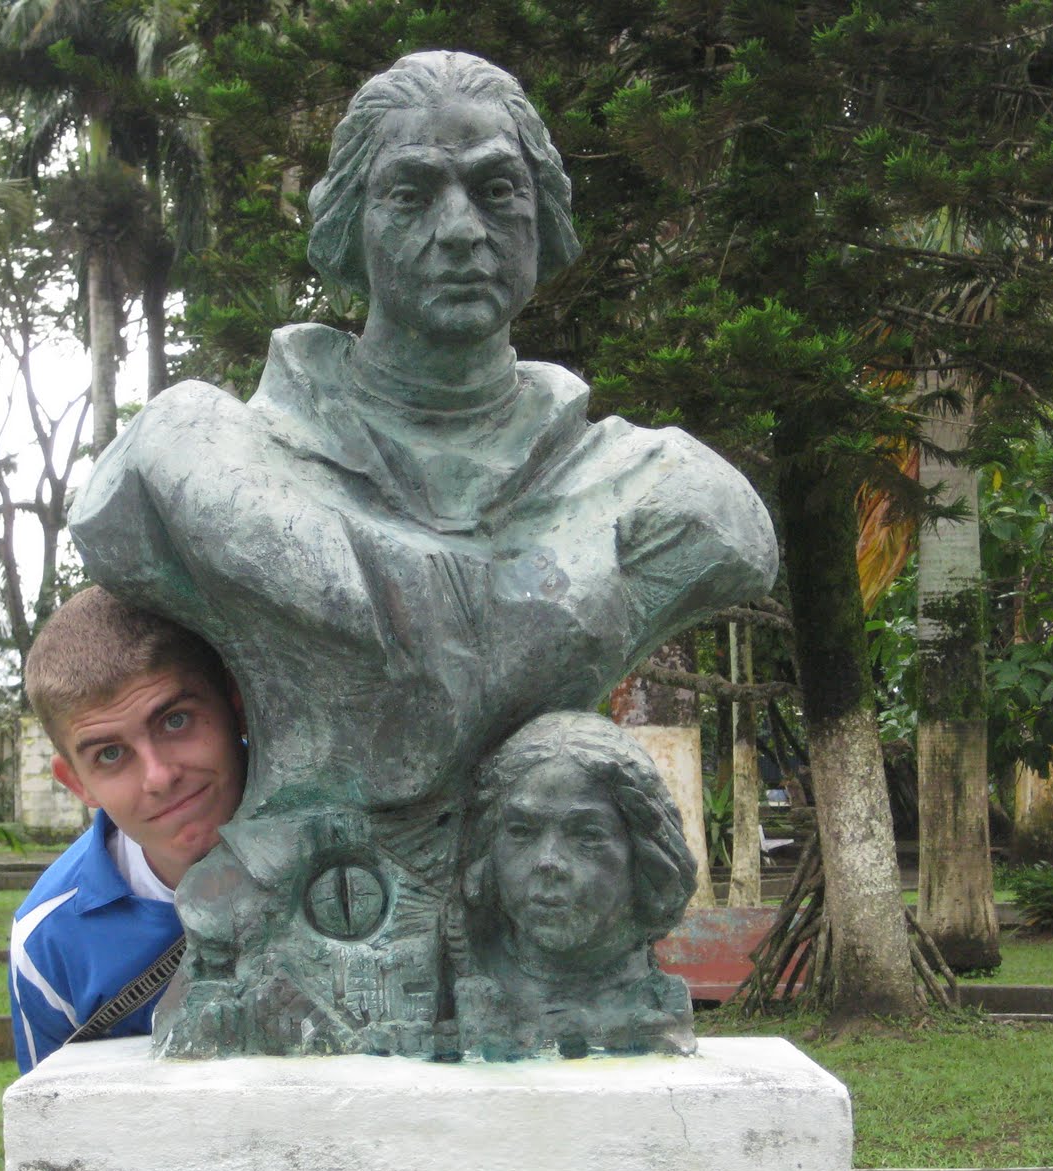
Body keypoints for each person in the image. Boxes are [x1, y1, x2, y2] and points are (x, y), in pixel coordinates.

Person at [68, 51, 776, 1057]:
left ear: (544, 218)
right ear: (348, 225)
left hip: (542, 997)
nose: (461, 230)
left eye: (497, 191)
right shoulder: (199, 463)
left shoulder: (663, 493)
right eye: (411, 194)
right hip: (290, 970)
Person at [8, 586, 246, 1073]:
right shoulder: (50, 940)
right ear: (77, 782)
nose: (159, 776)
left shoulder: (366, 836)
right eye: (110, 754)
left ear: (236, 703)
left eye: (175, 721)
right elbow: (58, 1111)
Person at [454, 711, 697, 1058]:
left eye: (587, 836)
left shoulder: (656, 1008)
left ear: (645, 854)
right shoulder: (454, 989)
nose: (548, 861)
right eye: (521, 831)